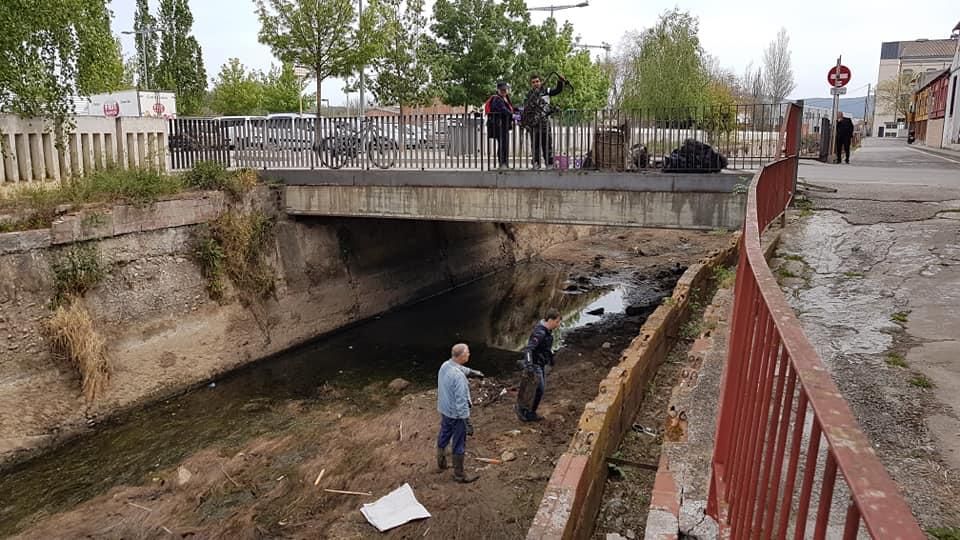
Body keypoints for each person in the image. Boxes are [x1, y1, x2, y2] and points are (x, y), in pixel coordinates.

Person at [436, 343, 479, 483]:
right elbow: (461, 401)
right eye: (467, 353)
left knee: (445, 432)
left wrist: (472, 371)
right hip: (456, 414)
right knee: (459, 442)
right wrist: (466, 421)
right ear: (461, 356)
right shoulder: (459, 378)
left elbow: (458, 367)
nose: (469, 354)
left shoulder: (445, 365)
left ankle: (441, 462)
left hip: (445, 409)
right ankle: (459, 475)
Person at [516, 308, 562, 422]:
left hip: (540, 363)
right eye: (557, 322)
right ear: (550, 320)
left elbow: (545, 349)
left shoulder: (546, 332)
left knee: (536, 389)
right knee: (538, 389)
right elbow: (528, 349)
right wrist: (529, 365)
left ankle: (527, 411)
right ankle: (526, 411)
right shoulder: (540, 333)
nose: (558, 324)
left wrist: (550, 359)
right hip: (535, 364)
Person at [523, 74, 566, 169]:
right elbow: (526, 108)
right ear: (531, 84)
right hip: (533, 123)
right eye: (533, 82)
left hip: (545, 121)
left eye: (537, 81)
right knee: (535, 145)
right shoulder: (529, 94)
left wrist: (560, 82)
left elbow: (557, 90)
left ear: (541, 82)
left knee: (547, 143)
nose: (535, 84)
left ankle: (549, 163)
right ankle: (536, 163)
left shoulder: (546, 91)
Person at [486, 81, 515, 170]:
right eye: (502, 90)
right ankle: (502, 164)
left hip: (503, 125)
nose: (504, 91)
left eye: (505, 89)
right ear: (498, 90)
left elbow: (510, 108)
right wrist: (513, 115)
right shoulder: (497, 99)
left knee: (504, 144)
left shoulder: (505, 98)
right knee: (503, 144)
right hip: (499, 125)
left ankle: (504, 163)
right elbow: (502, 109)